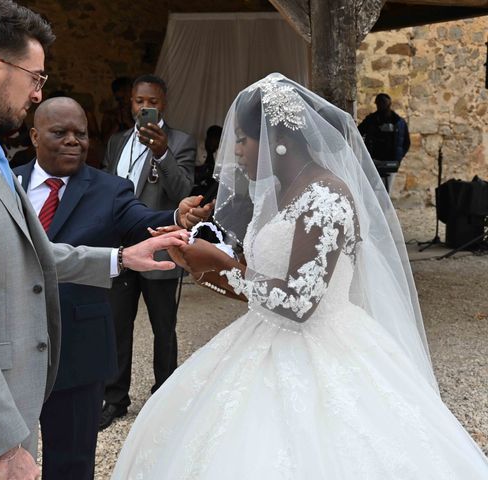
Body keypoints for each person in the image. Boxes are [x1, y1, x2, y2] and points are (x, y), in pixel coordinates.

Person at [110, 73, 488, 479]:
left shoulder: (325, 198)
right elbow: (260, 269)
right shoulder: (277, 191)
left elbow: (298, 304)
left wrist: (217, 267)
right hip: (264, 332)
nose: (234, 151)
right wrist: (194, 254)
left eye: (242, 140)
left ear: (277, 141)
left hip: (320, 344)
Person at [0, 2, 186, 479]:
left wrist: (122, 258)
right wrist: (5, 446)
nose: (36, 92)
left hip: (7, 402)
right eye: (36, 77)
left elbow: (25, 255)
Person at [13, 97, 210, 480]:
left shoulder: (109, 189)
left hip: (78, 345)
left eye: (81, 134)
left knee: (71, 462)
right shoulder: (5, 180)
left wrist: (174, 216)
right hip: (11, 344)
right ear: (35, 136)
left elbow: (142, 220)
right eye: (60, 133)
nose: (73, 141)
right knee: (5, 461)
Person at [101, 74, 197, 430]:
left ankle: (164, 397)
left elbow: (183, 187)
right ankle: (114, 399)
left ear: (163, 104)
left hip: (159, 251)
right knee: (116, 326)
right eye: (139, 102)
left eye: (151, 102)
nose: (144, 108)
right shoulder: (117, 142)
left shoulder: (182, 141)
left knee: (164, 328)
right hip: (121, 250)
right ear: (131, 103)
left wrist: (163, 152)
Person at [358, 93, 410, 193]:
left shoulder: (398, 122)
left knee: (386, 192)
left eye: (383, 103)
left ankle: (385, 208)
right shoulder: (371, 120)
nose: (381, 106)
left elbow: (406, 143)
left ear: (389, 104)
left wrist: (398, 157)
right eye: (379, 103)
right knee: (372, 191)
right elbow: (358, 133)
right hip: (374, 160)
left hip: (391, 161)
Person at [100, 76, 134, 145]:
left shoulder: (141, 113)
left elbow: (144, 139)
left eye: (127, 91)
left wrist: (128, 121)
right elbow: (105, 142)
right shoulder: (110, 115)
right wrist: (117, 123)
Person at [191, 125, 222, 200]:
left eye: (219, 140)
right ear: (208, 138)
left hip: (211, 189)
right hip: (194, 187)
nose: (216, 143)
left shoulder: (221, 151)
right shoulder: (196, 148)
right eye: (214, 140)